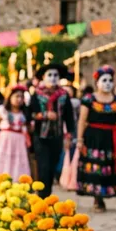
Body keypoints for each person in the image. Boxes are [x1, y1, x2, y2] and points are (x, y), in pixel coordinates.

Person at [76, 65, 116, 212]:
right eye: (104, 80)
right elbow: (82, 120)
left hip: (111, 138)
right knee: (95, 167)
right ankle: (97, 199)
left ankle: (104, 194)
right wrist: (79, 139)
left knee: (108, 166)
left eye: (110, 80)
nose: (108, 83)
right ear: (97, 82)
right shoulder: (89, 100)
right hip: (93, 137)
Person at [30, 63, 75, 197]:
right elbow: (29, 113)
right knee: (43, 166)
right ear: (43, 77)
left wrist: (69, 136)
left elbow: (69, 118)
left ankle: (47, 193)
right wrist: (44, 115)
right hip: (40, 137)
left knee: (52, 166)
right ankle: (43, 196)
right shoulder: (37, 94)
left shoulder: (64, 95)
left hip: (57, 136)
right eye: (49, 75)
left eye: (55, 75)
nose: (53, 78)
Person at [0, 86, 31, 181]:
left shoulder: (24, 112)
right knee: (0, 165)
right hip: (4, 142)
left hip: (19, 144)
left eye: (22, 97)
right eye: (17, 96)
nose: (19, 99)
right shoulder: (2, 110)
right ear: (10, 97)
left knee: (17, 165)